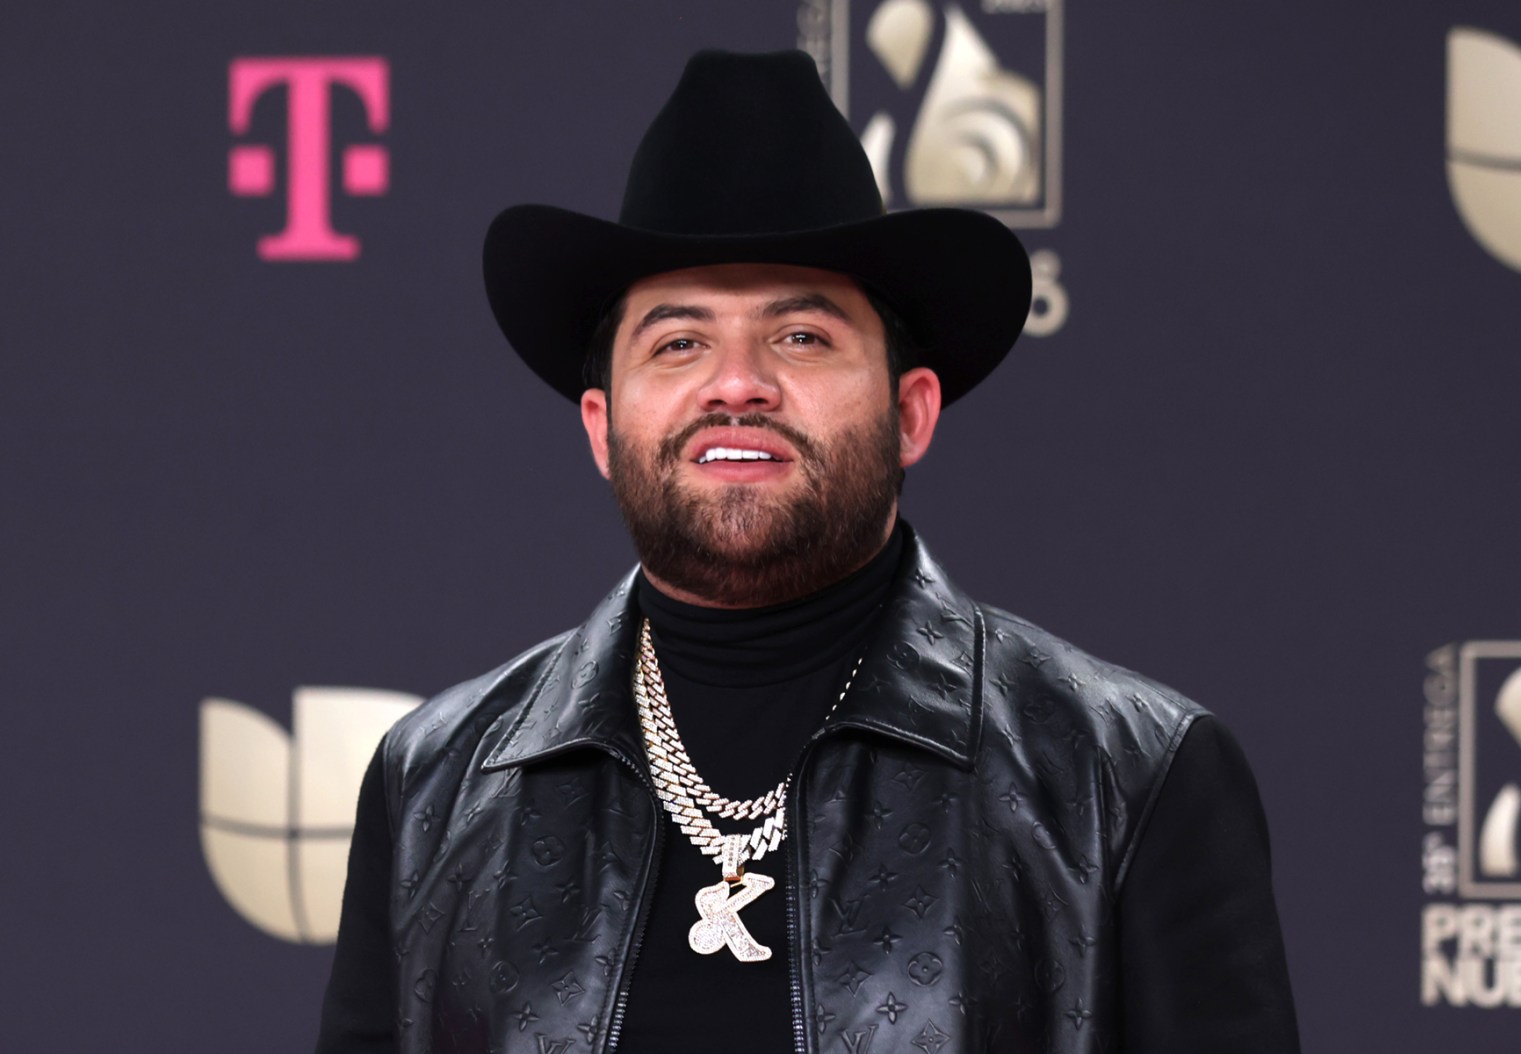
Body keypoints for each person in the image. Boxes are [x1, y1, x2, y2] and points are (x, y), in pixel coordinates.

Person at [316, 49, 1299, 1054]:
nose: (736, 383)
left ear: (910, 413)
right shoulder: (437, 784)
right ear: (601, 428)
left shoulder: (1125, 777)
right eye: (679, 342)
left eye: (800, 337)